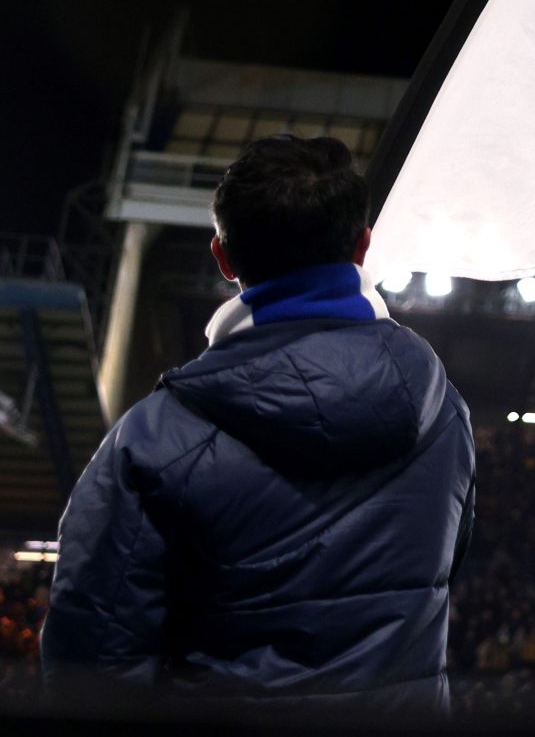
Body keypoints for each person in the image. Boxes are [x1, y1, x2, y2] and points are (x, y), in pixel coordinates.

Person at [43, 133, 474, 710]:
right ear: (363, 245)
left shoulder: (153, 440)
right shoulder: (445, 414)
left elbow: (92, 665)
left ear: (222, 257)